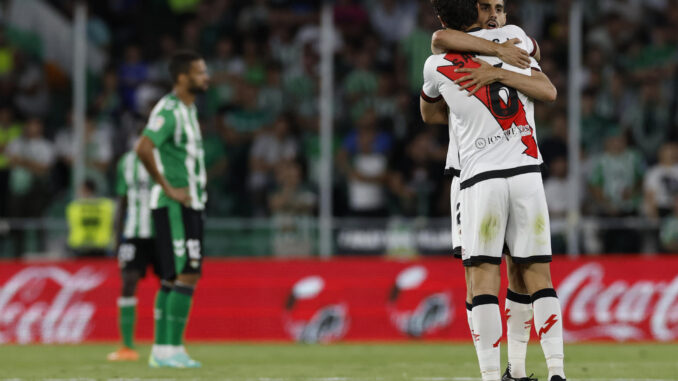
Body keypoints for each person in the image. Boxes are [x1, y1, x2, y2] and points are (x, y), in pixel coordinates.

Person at [421, 1, 565, 381]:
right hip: (527, 172)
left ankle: (495, 376)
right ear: (475, 10)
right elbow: (547, 87)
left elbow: (429, 111)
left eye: (499, 7)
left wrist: (483, 77)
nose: (494, 14)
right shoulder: (516, 39)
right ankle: (551, 373)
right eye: (487, 6)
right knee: (533, 274)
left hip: (477, 178)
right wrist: (501, 60)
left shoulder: (437, 63)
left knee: (482, 279)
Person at [135, 50, 209, 368]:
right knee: (187, 272)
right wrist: (167, 188)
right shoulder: (169, 111)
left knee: (172, 278)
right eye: (200, 72)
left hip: (190, 204)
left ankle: (163, 350)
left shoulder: (188, 110)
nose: (206, 77)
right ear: (182, 77)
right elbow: (143, 147)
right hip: (175, 205)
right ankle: (171, 348)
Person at [106, 146, 158, 362]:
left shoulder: (168, 157)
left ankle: (167, 344)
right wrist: (117, 237)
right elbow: (122, 199)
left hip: (161, 231)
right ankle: (127, 346)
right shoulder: (126, 162)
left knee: (169, 282)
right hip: (133, 232)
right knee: (128, 282)